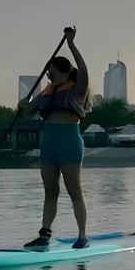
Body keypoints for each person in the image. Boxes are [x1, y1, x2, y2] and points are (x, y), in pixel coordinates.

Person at [19, 26, 92, 250]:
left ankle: (82, 237)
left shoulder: (77, 89)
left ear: (64, 71)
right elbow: (26, 112)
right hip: (48, 145)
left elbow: (83, 69)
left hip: (69, 143)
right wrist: (23, 104)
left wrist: (71, 43)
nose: (49, 76)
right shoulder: (48, 91)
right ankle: (44, 235)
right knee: (50, 191)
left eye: (52, 73)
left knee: (74, 190)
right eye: (48, 74)